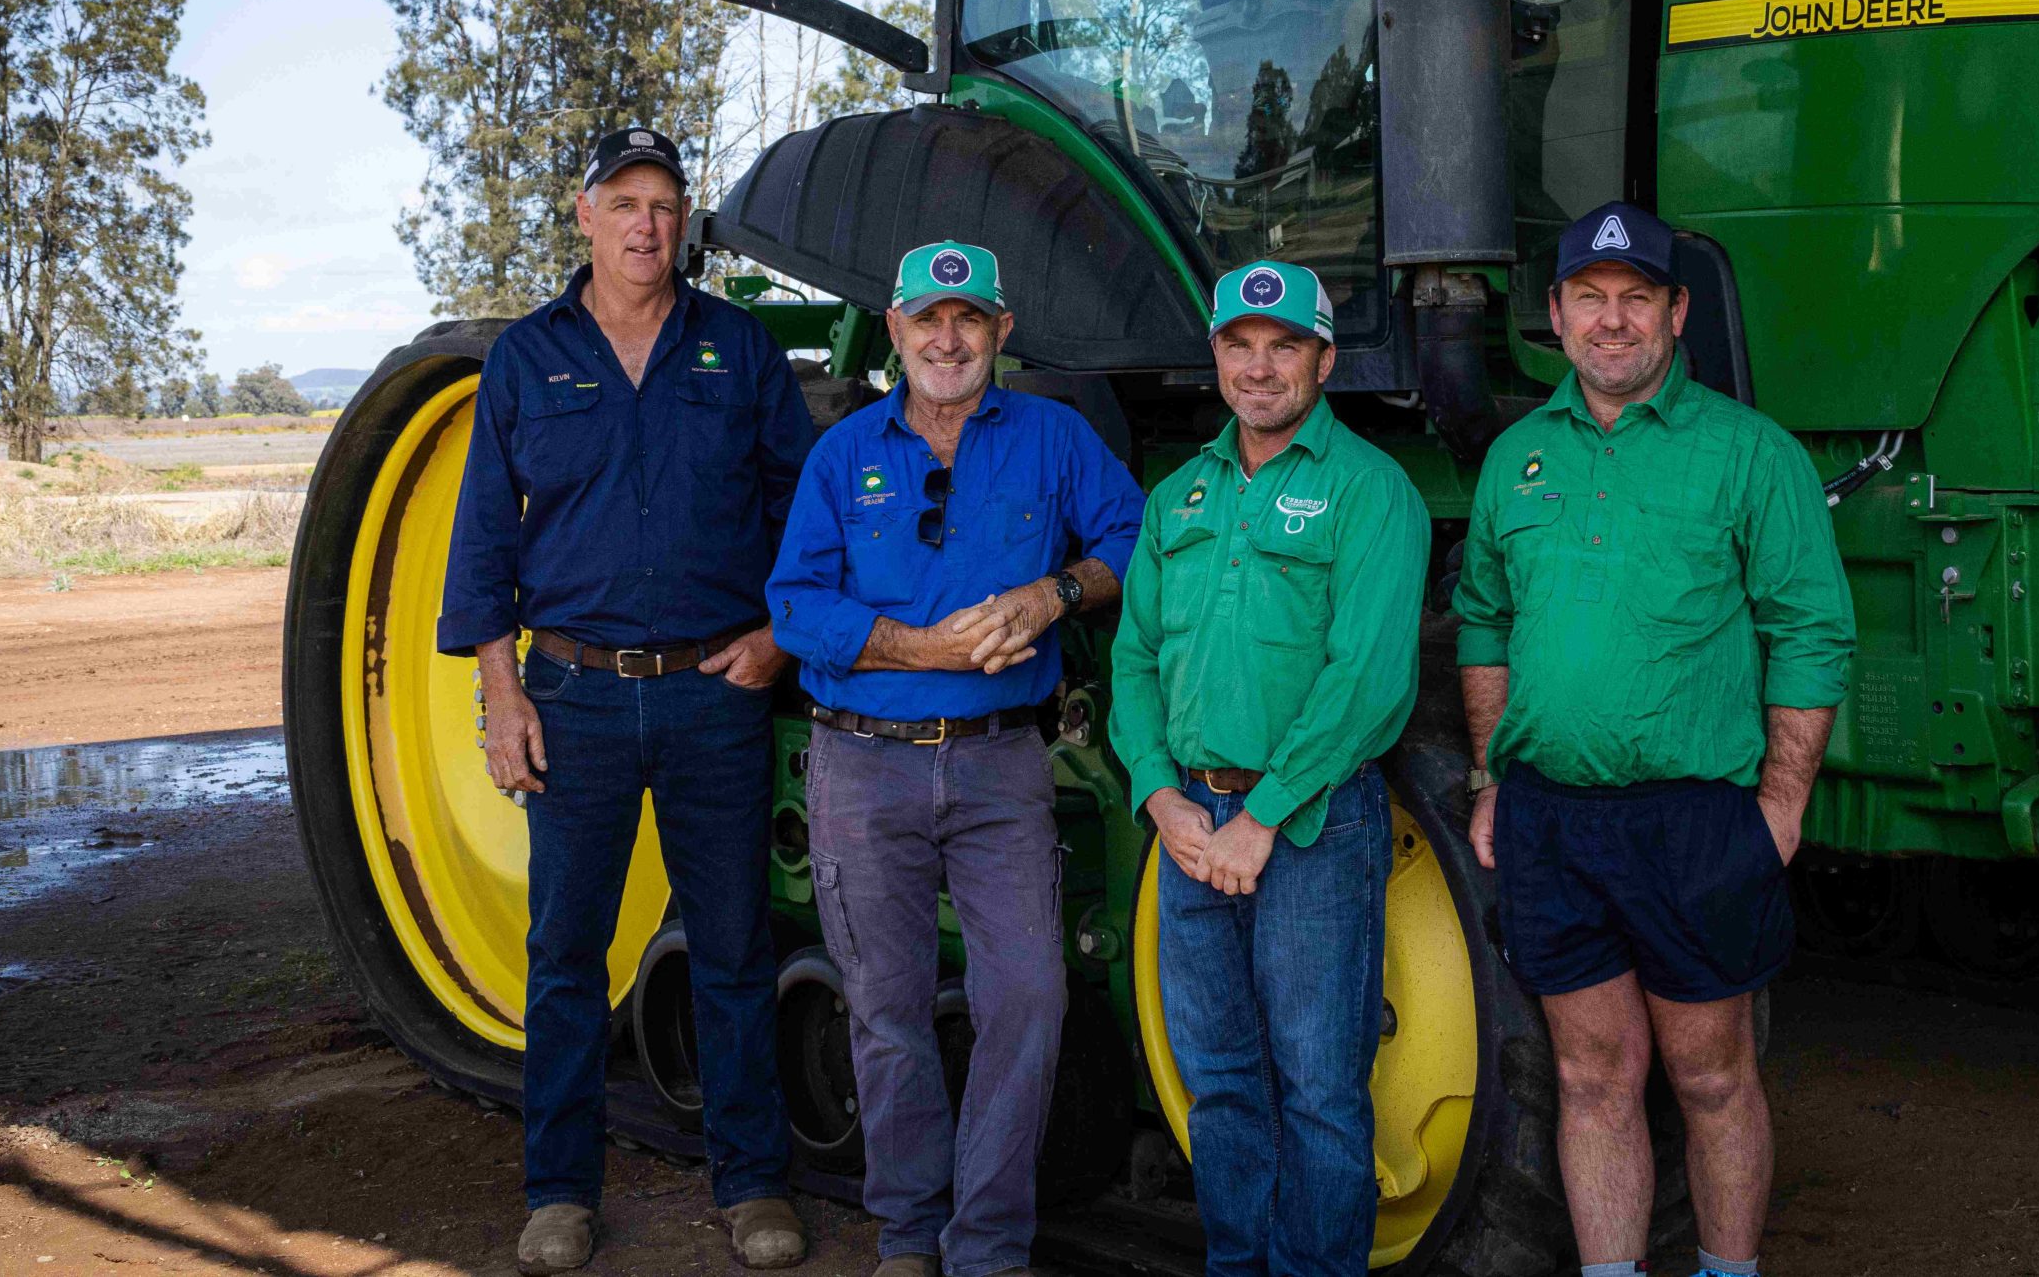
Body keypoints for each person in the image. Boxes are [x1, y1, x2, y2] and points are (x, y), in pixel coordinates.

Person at [437, 127, 820, 1275]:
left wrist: (777, 640)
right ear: (583, 213)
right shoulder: (526, 358)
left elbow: (806, 516)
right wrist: (502, 694)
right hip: (575, 694)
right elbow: (483, 540)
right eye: (625, 202)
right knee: (566, 953)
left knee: (735, 949)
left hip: (715, 695)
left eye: (664, 204)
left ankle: (751, 1186)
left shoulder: (738, 349)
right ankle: (559, 1191)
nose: (646, 224)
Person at [1453, 202, 1856, 1277]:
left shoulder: (1749, 453)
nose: (1613, 321)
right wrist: (1493, 774)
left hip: (1693, 819)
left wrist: (1782, 801)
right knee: (1591, 1077)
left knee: (1711, 1075)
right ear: (1555, 314)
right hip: (1551, 817)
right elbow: (1485, 623)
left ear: (1676, 312)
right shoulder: (1515, 461)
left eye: (1637, 298)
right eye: (1590, 298)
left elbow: (1810, 634)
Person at [766, 239, 1143, 1277]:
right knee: (885, 1010)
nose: (947, 338)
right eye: (926, 319)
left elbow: (1133, 537)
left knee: (1027, 997)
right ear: (893, 330)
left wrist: (1053, 595)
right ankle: (906, 1233)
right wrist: (917, 647)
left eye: (968, 319)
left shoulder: (1055, 440)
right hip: (862, 766)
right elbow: (794, 604)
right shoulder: (844, 456)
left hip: (998, 768)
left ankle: (987, 1244)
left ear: (1000, 333)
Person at [1110, 260, 1428, 1277]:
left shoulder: (1370, 491)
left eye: (1283, 346)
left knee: (1319, 1089)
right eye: (1239, 346)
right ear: (1215, 357)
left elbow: (1369, 679)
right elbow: (1133, 660)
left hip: (1311, 825)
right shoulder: (1180, 496)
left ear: (1323, 360)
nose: (1258, 368)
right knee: (1220, 1083)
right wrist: (1161, 796)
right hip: (1193, 825)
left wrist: (1268, 814)